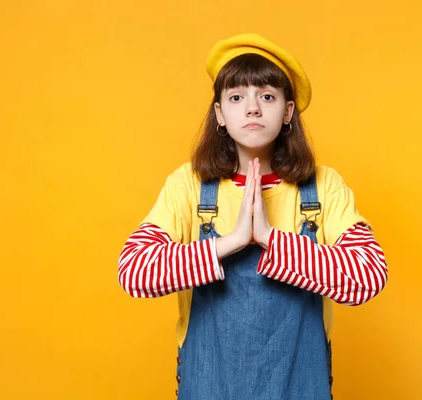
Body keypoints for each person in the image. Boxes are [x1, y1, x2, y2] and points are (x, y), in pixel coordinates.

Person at [118, 33, 389, 400]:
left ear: (288, 111)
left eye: (266, 96)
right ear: (220, 114)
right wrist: (229, 243)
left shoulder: (323, 187)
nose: (252, 109)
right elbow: (134, 272)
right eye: (236, 97)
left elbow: (368, 275)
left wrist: (269, 238)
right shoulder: (189, 185)